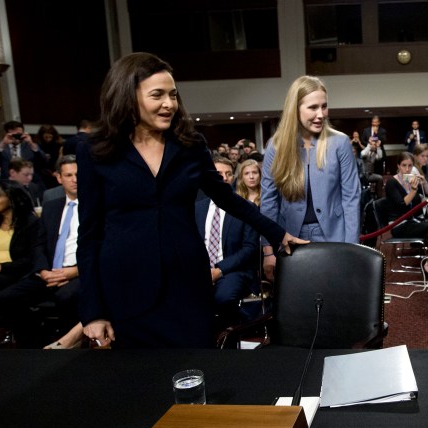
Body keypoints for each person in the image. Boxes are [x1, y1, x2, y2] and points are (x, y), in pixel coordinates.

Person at [77, 52, 305, 349]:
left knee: (197, 372)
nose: (169, 104)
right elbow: (89, 235)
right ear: (126, 96)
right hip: (127, 289)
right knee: (138, 383)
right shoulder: (94, 150)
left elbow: (228, 199)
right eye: (157, 95)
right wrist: (93, 311)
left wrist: (278, 234)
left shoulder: (190, 145)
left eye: (173, 94)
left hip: (188, 285)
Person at [260, 75, 360, 281]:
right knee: (298, 302)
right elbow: (269, 202)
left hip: (334, 235)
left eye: (324, 106)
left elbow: (351, 199)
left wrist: (351, 248)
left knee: (334, 296)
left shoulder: (340, 143)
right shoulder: (276, 146)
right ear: (295, 109)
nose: (320, 114)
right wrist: (268, 250)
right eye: (313, 107)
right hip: (289, 239)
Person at [0, 156, 80, 348]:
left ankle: (69, 344)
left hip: (77, 271)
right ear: (59, 178)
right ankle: (33, 342)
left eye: (78, 174)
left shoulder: (95, 207)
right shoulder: (51, 206)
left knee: (65, 296)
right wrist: (43, 270)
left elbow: (98, 246)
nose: (74, 179)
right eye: (68, 175)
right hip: (47, 271)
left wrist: (74, 271)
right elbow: (39, 245)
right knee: (5, 298)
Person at [195, 156, 260, 323]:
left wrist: (219, 270)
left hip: (233, 270)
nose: (224, 177)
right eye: (219, 173)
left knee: (223, 298)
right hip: (200, 270)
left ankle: (248, 326)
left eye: (229, 174)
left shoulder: (246, 208)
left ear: (233, 178)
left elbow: (249, 248)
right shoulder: (197, 209)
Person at [385, 153, 428, 276]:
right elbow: (402, 205)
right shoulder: (392, 183)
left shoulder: (410, 179)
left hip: (413, 221)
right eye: (404, 165)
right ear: (398, 166)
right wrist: (414, 190)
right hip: (398, 224)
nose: (407, 169)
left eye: (410, 166)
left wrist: (424, 182)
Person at [0, 181, 42, 294]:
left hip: (13, 272)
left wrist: (1, 267)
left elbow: (30, 259)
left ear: (11, 199)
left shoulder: (30, 223)